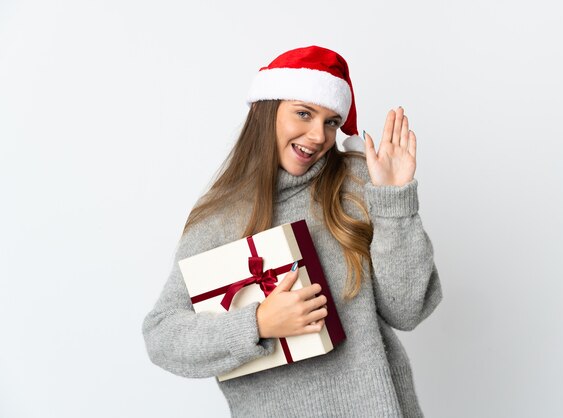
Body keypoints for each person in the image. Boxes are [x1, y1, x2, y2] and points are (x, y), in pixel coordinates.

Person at [143, 45, 442, 417]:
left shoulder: (358, 183)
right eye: (304, 113)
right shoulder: (218, 218)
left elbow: (407, 311)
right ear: (265, 112)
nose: (318, 135)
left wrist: (395, 201)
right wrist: (257, 324)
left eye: (331, 122)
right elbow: (162, 336)